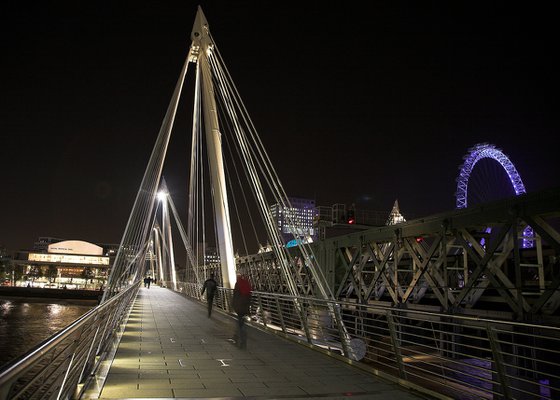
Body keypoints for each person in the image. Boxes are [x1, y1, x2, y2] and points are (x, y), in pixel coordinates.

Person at [232, 274, 252, 348]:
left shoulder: (237, 284)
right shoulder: (247, 284)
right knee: (242, 323)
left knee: (240, 324)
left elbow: (235, 296)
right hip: (245, 307)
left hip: (239, 307)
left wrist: (233, 305)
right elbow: (249, 296)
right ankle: (241, 339)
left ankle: (239, 339)